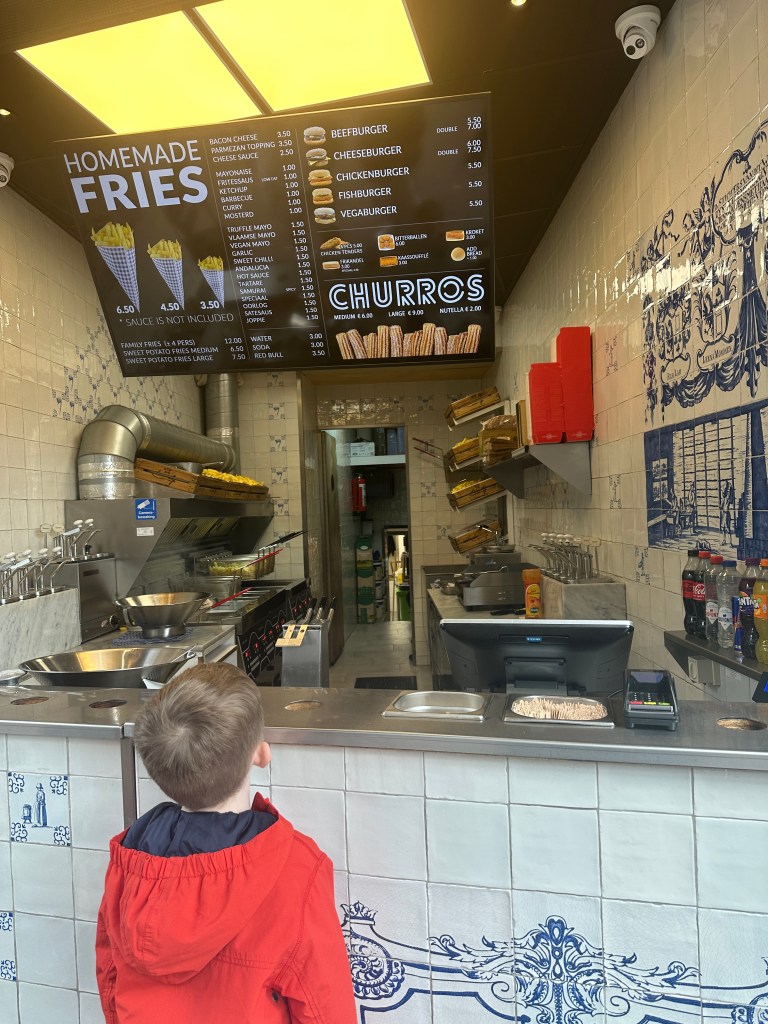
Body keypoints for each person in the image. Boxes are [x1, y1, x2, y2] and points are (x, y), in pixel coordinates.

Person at [96, 664, 356, 1024]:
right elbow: (324, 1007)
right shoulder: (297, 867)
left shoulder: (128, 860)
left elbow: (110, 975)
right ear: (261, 754)